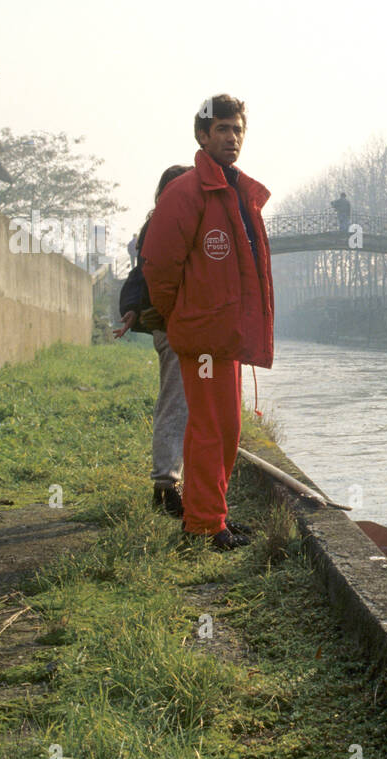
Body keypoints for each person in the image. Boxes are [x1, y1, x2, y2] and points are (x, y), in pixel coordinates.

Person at [141, 94, 274, 551]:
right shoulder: (187, 193)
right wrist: (182, 314)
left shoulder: (235, 192)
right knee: (208, 427)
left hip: (227, 335)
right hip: (202, 336)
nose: (232, 137)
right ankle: (202, 525)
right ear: (202, 135)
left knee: (228, 430)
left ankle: (214, 516)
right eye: (222, 129)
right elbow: (157, 265)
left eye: (237, 129)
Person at [114, 164, 193, 517]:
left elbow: (137, 276)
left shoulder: (160, 223)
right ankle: (166, 486)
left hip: (182, 325)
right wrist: (134, 309)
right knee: (176, 403)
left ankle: (172, 484)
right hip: (173, 325)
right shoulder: (164, 225)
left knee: (180, 403)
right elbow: (144, 274)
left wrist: (131, 309)